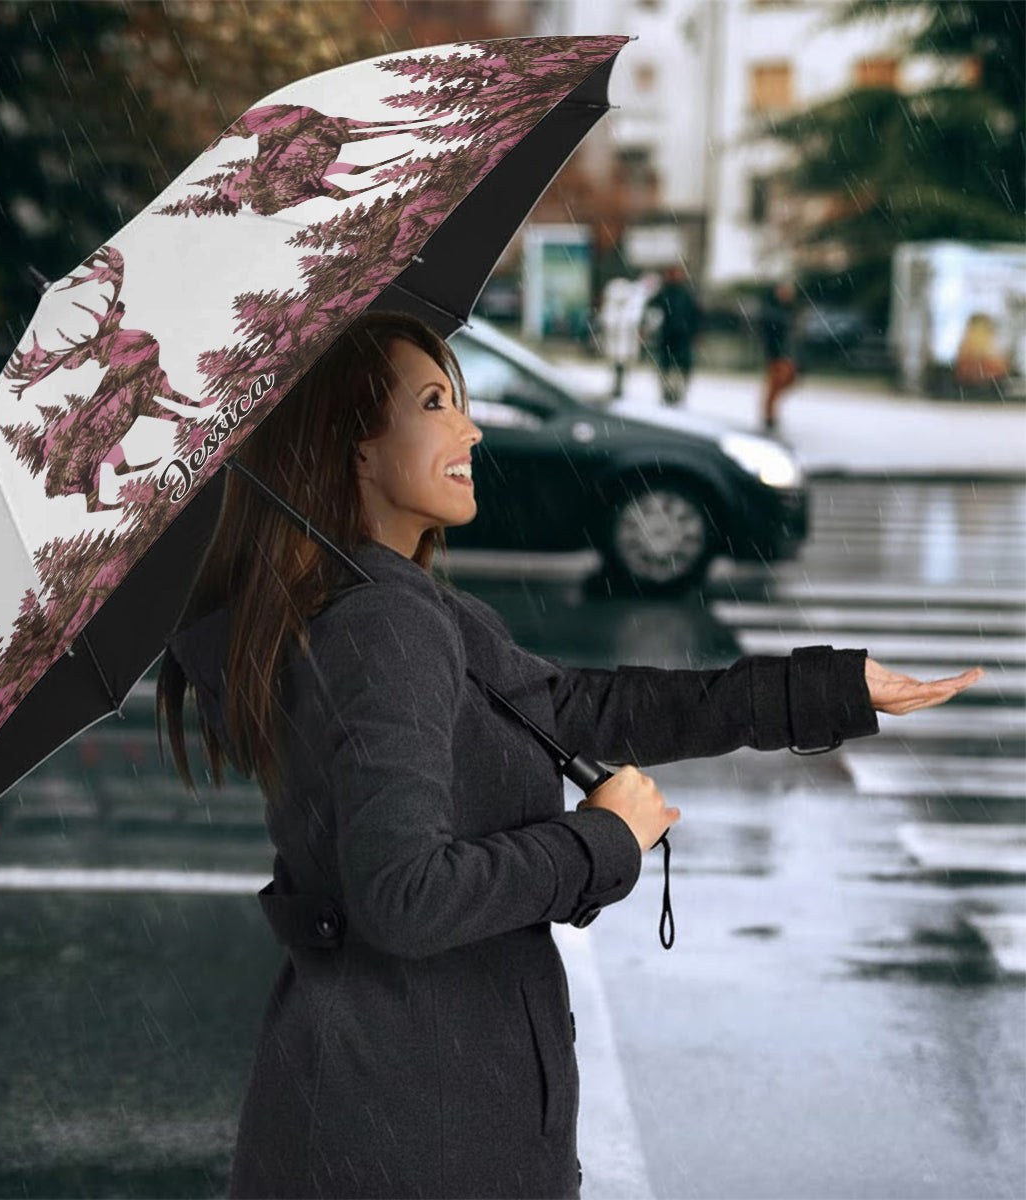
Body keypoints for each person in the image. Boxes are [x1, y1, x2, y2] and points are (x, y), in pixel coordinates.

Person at [156, 309, 984, 1200]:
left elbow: (584, 707)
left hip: (405, 1104)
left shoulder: (402, 610)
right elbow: (404, 898)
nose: (469, 427)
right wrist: (600, 841)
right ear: (353, 447)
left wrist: (828, 690)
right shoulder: (383, 626)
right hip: (414, 1126)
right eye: (435, 402)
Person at [644, 264, 701, 406]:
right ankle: (667, 393)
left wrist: (695, 333)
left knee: (679, 367)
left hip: (681, 336)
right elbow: (651, 309)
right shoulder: (665, 293)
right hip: (668, 335)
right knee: (667, 366)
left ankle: (677, 393)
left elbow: (695, 315)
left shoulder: (685, 294)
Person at [596, 275, 653, 397]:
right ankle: (618, 388)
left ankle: (617, 388)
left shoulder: (614, 304)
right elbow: (632, 321)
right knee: (620, 367)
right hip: (623, 344)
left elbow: (607, 321)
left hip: (616, 343)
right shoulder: (631, 303)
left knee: (617, 367)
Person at [759, 281, 799, 433]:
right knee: (775, 384)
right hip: (777, 353)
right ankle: (769, 415)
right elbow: (770, 333)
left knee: (785, 381)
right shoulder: (773, 311)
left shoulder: (789, 310)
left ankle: (770, 412)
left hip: (786, 353)